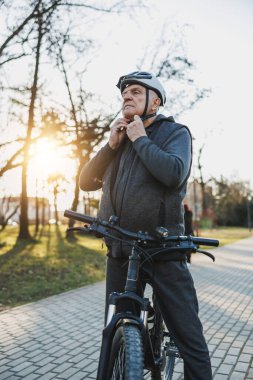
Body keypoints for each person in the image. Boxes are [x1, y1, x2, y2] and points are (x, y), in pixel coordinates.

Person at [79, 71, 212, 379]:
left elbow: (173, 173)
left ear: (155, 101)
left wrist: (141, 138)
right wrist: (111, 145)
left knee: (190, 339)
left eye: (136, 92)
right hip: (121, 250)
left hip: (163, 249)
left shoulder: (175, 133)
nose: (127, 95)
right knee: (112, 332)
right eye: (125, 92)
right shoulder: (119, 139)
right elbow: (86, 182)